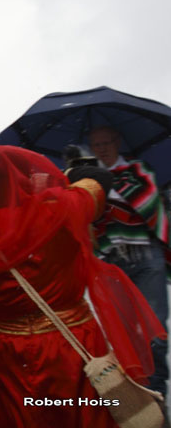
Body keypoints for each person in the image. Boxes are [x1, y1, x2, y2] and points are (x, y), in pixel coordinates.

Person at [0, 145, 164, 428]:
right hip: (72, 340)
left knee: (22, 417)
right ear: (23, 179)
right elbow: (99, 178)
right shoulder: (61, 209)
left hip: (6, 352)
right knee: (81, 413)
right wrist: (67, 174)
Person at [88, 125, 170, 397]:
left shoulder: (138, 169)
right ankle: (136, 388)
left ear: (118, 141)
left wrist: (102, 189)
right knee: (122, 331)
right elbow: (88, 216)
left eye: (106, 142)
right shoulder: (89, 179)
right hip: (111, 261)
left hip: (146, 256)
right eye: (96, 144)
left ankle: (157, 389)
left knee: (155, 327)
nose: (102, 149)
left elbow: (147, 200)